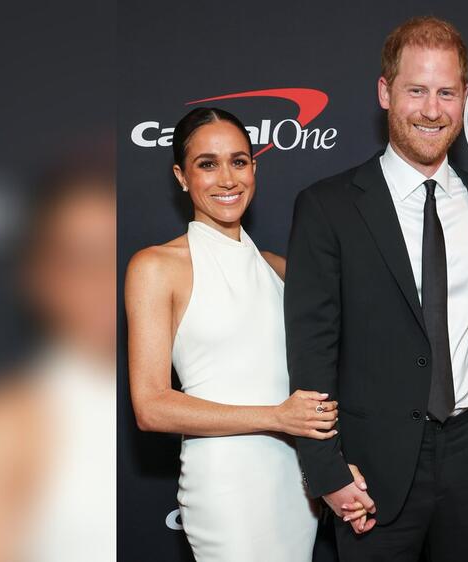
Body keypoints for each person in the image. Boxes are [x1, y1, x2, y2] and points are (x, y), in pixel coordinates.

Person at [284, 16, 468, 562]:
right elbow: (312, 352)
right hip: (370, 470)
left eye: (447, 92)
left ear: (465, 98)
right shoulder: (327, 207)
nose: (432, 110)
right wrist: (325, 471)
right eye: (416, 90)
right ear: (385, 92)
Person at [125, 107, 337, 561]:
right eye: (207, 164)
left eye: (238, 161)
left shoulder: (282, 269)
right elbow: (151, 406)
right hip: (225, 487)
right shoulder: (156, 267)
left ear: (254, 168)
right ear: (182, 177)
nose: (227, 179)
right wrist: (277, 417)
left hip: (293, 484)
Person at [0, 157, 116, 562]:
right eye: (79, 259)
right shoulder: (0, 420)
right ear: (38, 276)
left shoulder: (197, 393)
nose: (102, 278)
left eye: (116, 253)